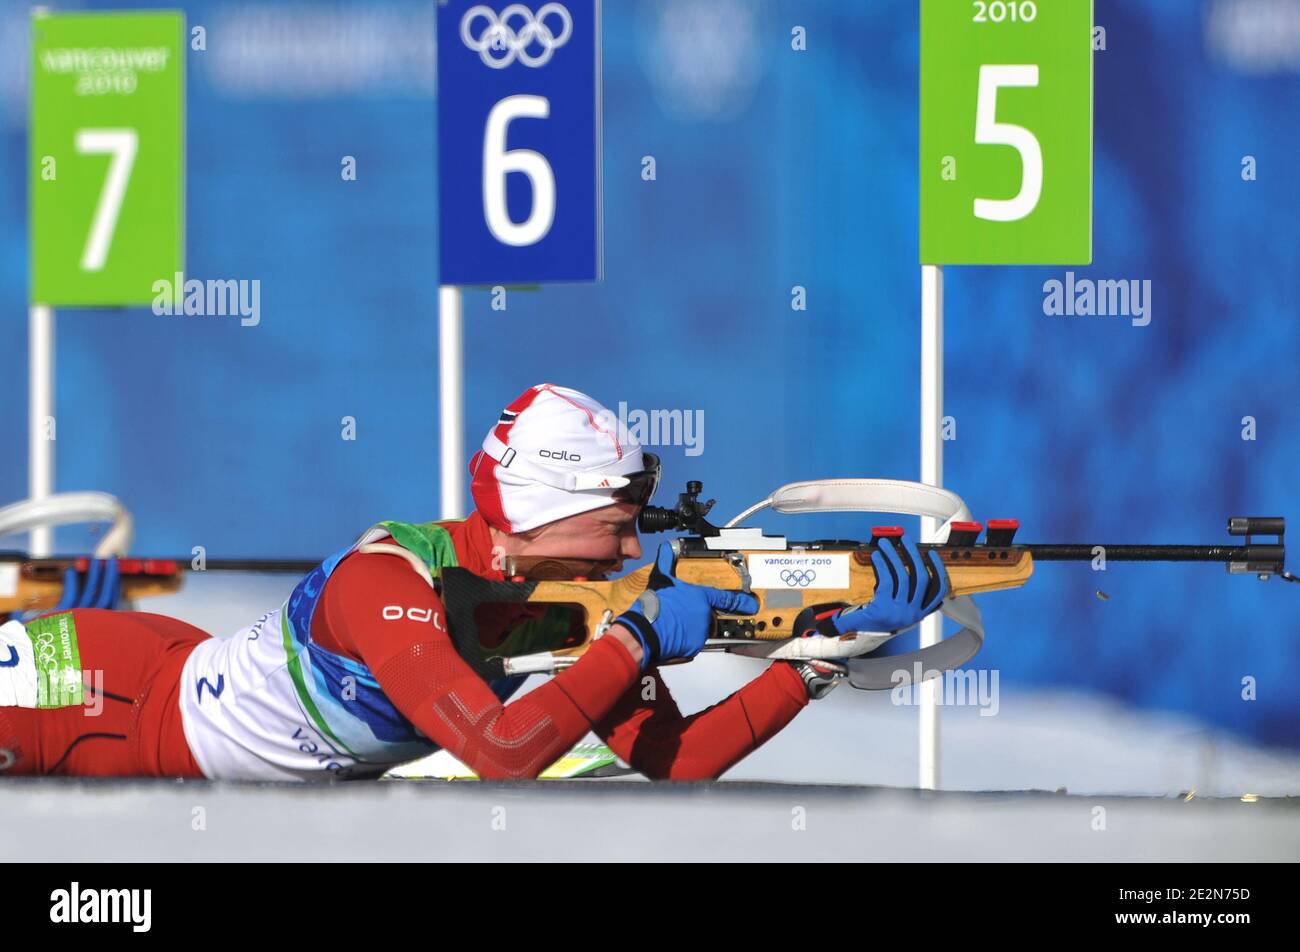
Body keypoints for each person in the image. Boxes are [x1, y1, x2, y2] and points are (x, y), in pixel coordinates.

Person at [0, 384, 947, 781]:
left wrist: (823, 654)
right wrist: (639, 638)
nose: (625, 557)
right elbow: (501, 755)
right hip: (98, 698)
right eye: (615, 530)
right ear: (545, 508)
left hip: (161, 668)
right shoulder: (388, 580)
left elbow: (674, 760)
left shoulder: (571, 611)